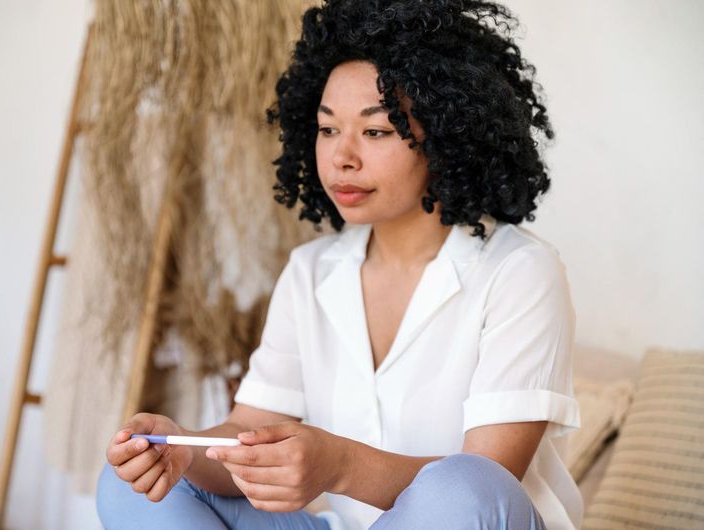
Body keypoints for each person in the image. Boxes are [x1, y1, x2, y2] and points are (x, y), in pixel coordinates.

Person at [97, 1, 582, 529]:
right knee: (133, 489)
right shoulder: (310, 271)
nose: (341, 157)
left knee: (463, 486)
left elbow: (489, 480)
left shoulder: (521, 271)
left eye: (375, 132)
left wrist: (340, 465)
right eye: (328, 130)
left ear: (446, 136)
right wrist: (181, 449)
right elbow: (249, 431)